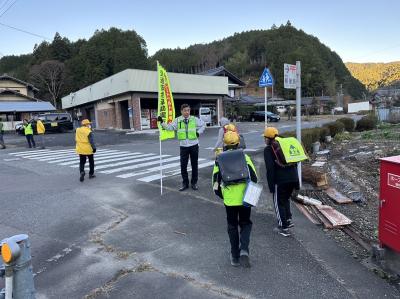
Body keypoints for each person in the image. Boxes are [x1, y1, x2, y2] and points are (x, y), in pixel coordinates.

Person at [212, 131, 258, 267]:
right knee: (245, 223)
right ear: (238, 143)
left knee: (232, 226)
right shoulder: (245, 157)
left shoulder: (219, 159)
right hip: (245, 199)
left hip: (230, 200)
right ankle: (244, 249)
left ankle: (234, 256)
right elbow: (254, 178)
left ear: (224, 144)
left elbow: (215, 183)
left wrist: (222, 195)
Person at [158, 104, 205, 191]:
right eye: (185, 110)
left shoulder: (194, 119)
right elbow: (170, 128)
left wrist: (199, 132)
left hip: (194, 145)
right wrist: (162, 122)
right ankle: (185, 183)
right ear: (181, 111)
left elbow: (203, 125)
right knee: (183, 166)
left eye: (188, 110)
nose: (187, 112)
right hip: (183, 146)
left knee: (194, 165)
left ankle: (194, 183)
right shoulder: (178, 120)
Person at [263, 127, 299, 237]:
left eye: (265, 138)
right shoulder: (285, 144)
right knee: (286, 199)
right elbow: (295, 163)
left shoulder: (269, 149)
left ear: (268, 138)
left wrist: (271, 185)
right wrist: (297, 182)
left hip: (280, 180)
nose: (264, 140)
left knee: (278, 203)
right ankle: (288, 220)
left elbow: (270, 169)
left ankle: (283, 227)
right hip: (293, 178)